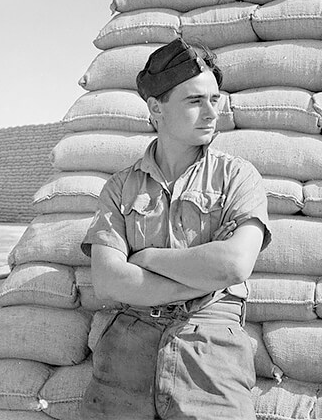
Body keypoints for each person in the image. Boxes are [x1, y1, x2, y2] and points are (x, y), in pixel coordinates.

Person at [79, 38, 272, 420]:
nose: (211, 112)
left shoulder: (236, 176)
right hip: (129, 345)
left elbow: (233, 265)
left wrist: (149, 257)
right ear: (156, 108)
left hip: (210, 344)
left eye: (215, 99)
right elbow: (108, 280)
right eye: (194, 101)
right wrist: (203, 281)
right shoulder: (120, 187)